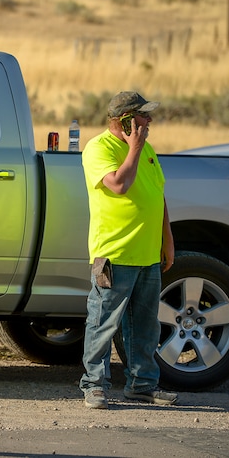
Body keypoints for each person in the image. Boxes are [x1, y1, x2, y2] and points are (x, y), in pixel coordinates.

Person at [79, 91, 178, 410]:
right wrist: (133, 148)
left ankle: (142, 385)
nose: (149, 121)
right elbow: (119, 184)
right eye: (143, 116)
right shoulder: (99, 148)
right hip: (114, 255)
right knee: (102, 322)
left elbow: (157, 194)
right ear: (125, 120)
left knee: (145, 327)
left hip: (147, 254)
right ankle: (94, 384)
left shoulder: (146, 150)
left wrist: (167, 238)